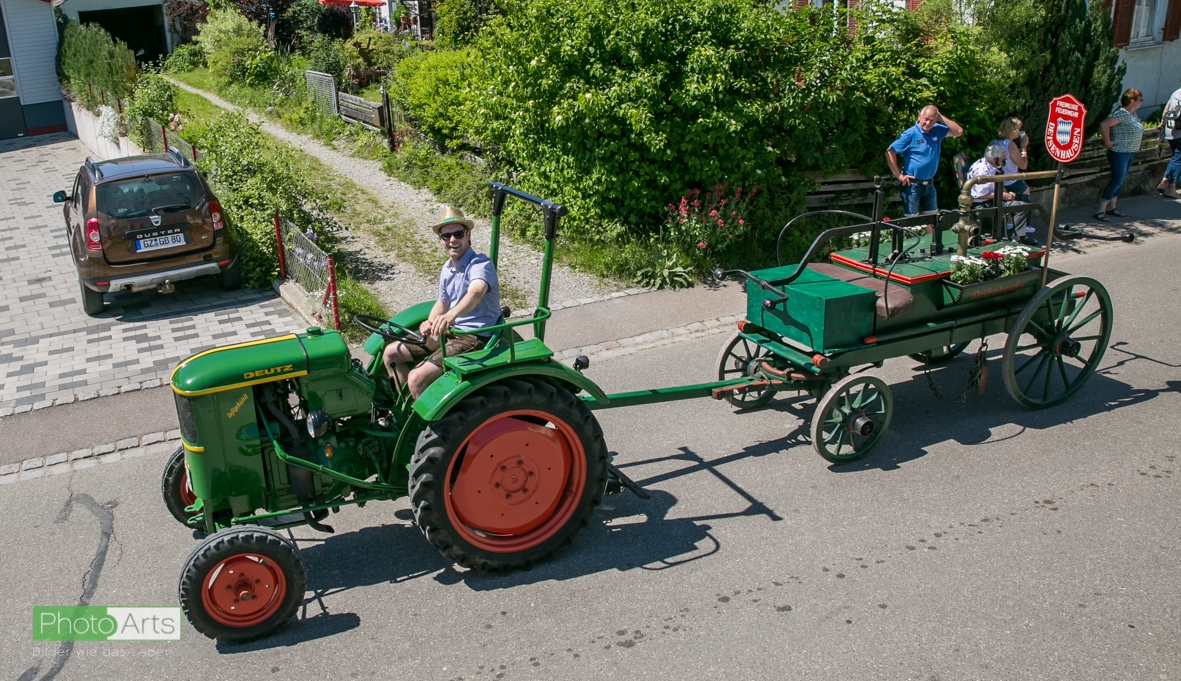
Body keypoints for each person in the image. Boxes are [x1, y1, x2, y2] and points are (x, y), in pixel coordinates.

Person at [382, 206, 501, 398]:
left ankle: (424, 427)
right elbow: (442, 302)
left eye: (458, 234)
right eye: (447, 236)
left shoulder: (481, 264)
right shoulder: (447, 268)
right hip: (450, 331)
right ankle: (405, 409)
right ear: (441, 239)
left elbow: (476, 293)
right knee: (390, 353)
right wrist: (429, 321)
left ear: (468, 234)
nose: (452, 240)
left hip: (474, 335)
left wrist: (451, 315)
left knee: (416, 378)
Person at [885, 105, 964, 215]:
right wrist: (899, 175)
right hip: (912, 185)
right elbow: (890, 152)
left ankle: (930, 233)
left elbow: (958, 131)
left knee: (932, 219)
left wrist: (940, 117)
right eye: (925, 119)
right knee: (911, 219)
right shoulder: (910, 134)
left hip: (929, 184)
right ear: (919, 117)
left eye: (931, 121)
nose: (928, 123)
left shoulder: (936, 130)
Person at [1096, 88, 1145, 221]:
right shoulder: (1122, 113)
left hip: (1129, 152)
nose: (1141, 102)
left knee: (1120, 180)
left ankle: (1112, 207)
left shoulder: (1132, 114)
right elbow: (1104, 124)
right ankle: (1101, 210)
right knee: (1116, 180)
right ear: (1132, 101)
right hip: (1119, 153)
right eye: (1140, 100)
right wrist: (1107, 142)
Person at [966, 142, 1030, 242]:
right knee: (1021, 207)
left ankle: (1021, 235)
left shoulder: (991, 166)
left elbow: (996, 184)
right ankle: (1017, 239)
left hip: (991, 199)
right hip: (982, 204)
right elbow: (980, 194)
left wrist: (1007, 194)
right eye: (1003, 158)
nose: (1005, 160)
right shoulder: (983, 170)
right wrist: (1003, 195)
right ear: (995, 159)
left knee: (1024, 199)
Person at [1157, 76, 1181, 200]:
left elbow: (1166, 110)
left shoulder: (1176, 93)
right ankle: (1171, 188)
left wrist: (1163, 123)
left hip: (1170, 131)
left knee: (1174, 157)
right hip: (1180, 132)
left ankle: (1165, 181)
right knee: (1178, 159)